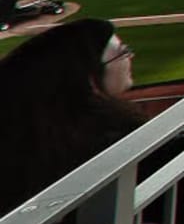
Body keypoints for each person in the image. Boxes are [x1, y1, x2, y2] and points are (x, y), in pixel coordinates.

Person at [0, 17, 148, 211]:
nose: (130, 57)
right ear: (91, 79)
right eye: (122, 53)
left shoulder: (26, 133)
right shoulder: (113, 134)